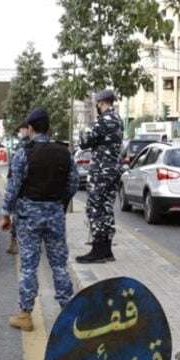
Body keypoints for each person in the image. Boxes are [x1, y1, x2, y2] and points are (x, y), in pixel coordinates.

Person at [0, 108, 79, 332]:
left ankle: (25, 315)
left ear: (31, 128)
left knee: (28, 267)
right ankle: (68, 312)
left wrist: (6, 214)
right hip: (55, 215)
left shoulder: (23, 153)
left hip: (28, 218)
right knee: (59, 265)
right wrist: (59, 204)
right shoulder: (64, 152)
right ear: (49, 127)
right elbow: (73, 184)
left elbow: (13, 187)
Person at [76, 89, 124, 264]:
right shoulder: (118, 119)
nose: (97, 106)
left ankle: (97, 251)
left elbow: (84, 143)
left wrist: (83, 132)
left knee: (95, 209)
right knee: (107, 209)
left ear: (101, 102)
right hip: (113, 171)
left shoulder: (103, 121)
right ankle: (107, 250)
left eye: (97, 103)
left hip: (100, 171)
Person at [6, 122, 31, 255]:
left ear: (27, 129)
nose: (20, 132)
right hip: (28, 187)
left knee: (19, 216)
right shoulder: (27, 143)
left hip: (22, 188)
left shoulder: (24, 144)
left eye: (21, 130)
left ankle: (15, 243)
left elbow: (16, 168)